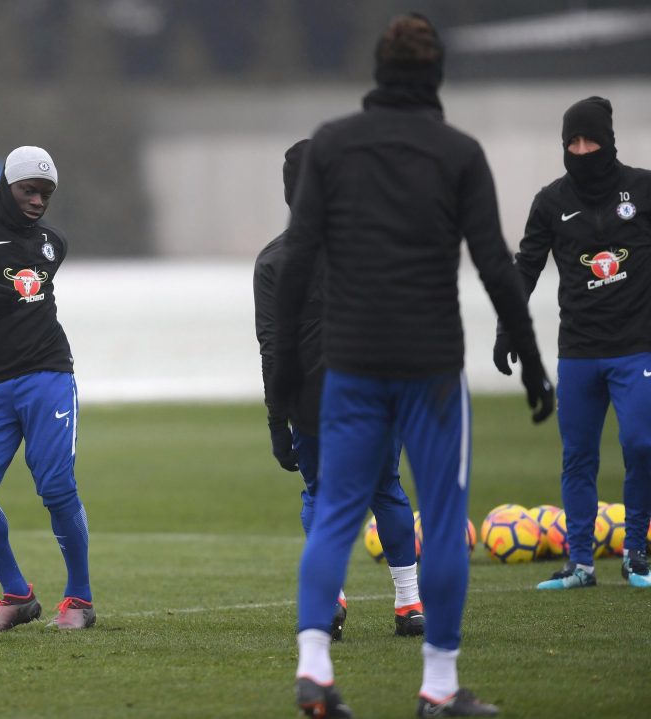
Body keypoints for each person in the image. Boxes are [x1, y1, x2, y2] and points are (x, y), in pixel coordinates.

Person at [273, 15, 554, 718]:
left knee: (334, 512)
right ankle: (438, 685)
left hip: (352, 363)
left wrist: (282, 381)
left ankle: (314, 669)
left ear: (376, 71)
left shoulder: (333, 145)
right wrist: (530, 361)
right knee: (443, 512)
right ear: (436, 77)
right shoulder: (457, 152)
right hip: (430, 367)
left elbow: (294, 260)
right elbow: (494, 262)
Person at [253, 139, 425, 642]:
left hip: (313, 406)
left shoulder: (273, 261)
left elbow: (273, 349)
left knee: (322, 496)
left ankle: (331, 600)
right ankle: (409, 604)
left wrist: (275, 422)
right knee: (385, 492)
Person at [493, 96, 651, 591]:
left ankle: (637, 554)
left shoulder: (643, 190)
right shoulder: (551, 202)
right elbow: (525, 267)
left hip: (636, 346)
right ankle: (580, 563)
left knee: (642, 445)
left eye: (590, 141)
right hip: (579, 351)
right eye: (573, 143)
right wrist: (508, 328)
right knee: (578, 456)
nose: (582, 151)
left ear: (608, 142)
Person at [0, 145, 95, 632]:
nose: (38, 200)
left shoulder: (54, 243)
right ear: (6, 185)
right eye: (29, 190)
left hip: (48, 373)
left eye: (46, 193)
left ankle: (80, 602)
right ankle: (17, 595)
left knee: (55, 487)